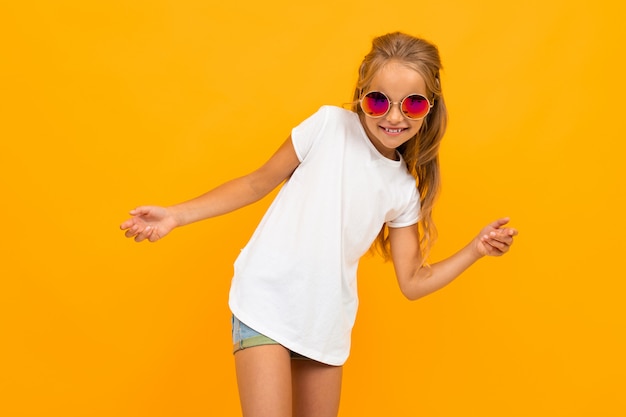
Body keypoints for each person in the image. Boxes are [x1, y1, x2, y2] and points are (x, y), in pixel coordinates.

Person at [120, 32, 518, 417]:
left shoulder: (402, 190)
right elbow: (256, 183)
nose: (394, 116)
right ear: (362, 95)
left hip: (325, 323)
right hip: (266, 301)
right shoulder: (328, 126)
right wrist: (176, 215)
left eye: (411, 105)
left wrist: (475, 250)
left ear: (430, 106)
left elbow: (412, 282)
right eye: (379, 101)